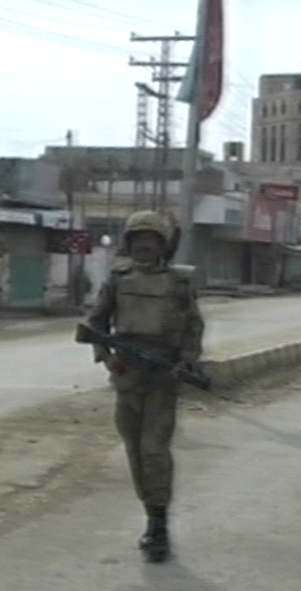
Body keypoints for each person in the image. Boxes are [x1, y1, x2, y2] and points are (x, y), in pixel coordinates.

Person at [85, 210, 205, 563]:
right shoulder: (119, 279)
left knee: (154, 449)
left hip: (163, 377)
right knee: (135, 450)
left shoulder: (179, 282)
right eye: (138, 241)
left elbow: (193, 327)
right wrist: (106, 358)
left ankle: (159, 524)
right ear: (129, 244)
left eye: (151, 241)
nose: (144, 247)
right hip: (127, 375)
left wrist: (187, 359)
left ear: (162, 246)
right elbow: (96, 323)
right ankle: (150, 514)